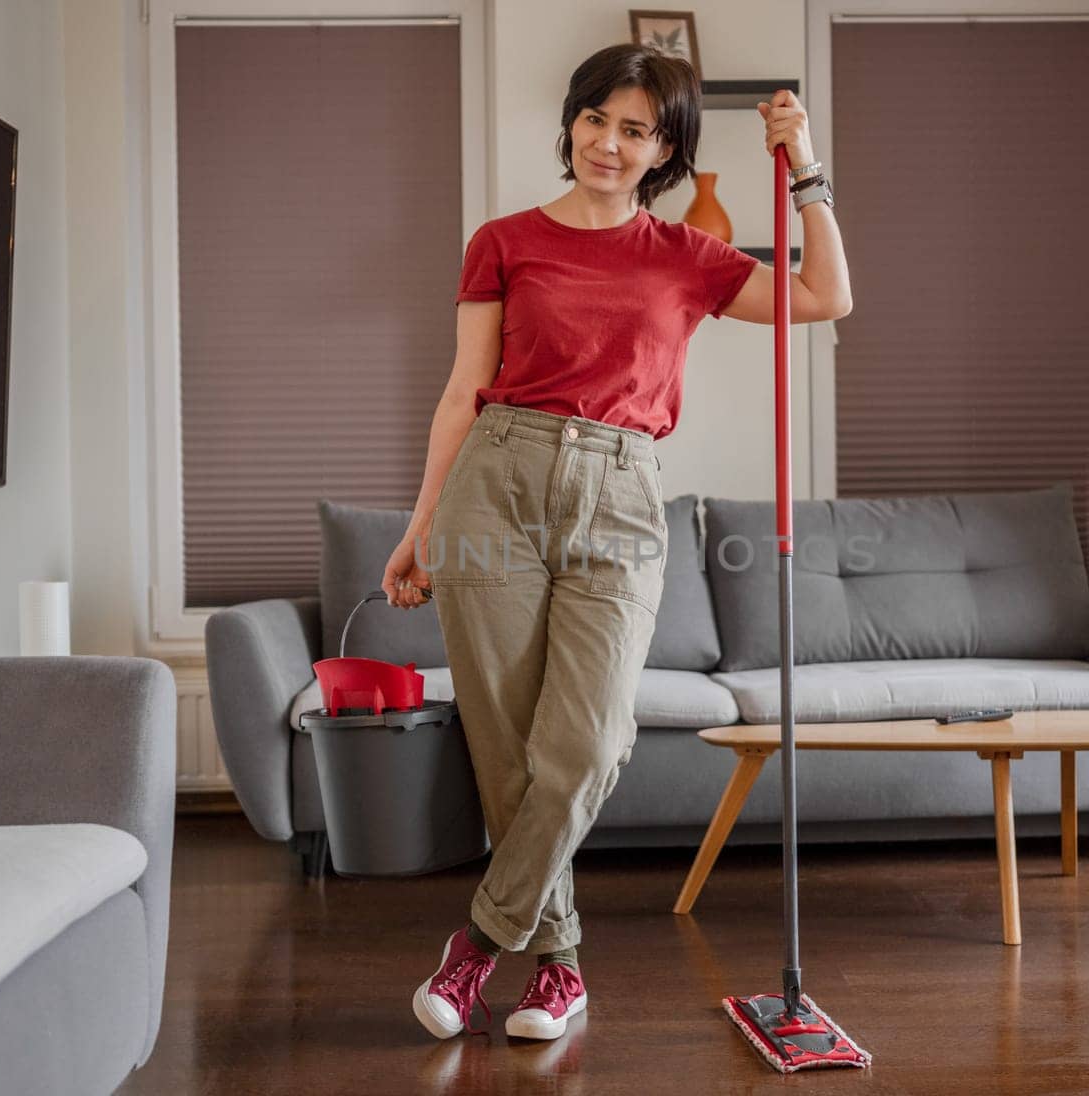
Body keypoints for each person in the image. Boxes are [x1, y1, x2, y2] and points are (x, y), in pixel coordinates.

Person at [382, 42, 851, 1044]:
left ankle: (475, 945)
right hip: (495, 484)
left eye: (634, 128)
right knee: (505, 748)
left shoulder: (686, 257)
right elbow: (464, 390)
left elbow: (824, 297)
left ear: (665, 149)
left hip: (621, 494)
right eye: (595, 118)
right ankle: (557, 970)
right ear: (571, 123)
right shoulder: (502, 240)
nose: (607, 141)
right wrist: (421, 526)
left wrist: (805, 165)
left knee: (589, 741)